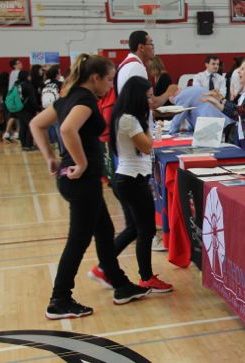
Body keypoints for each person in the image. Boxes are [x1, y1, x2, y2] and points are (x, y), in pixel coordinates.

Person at [29, 54, 150, 320]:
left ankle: (120, 285)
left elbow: (36, 124)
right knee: (79, 240)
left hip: (78, 179)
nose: (110, 86)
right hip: (80, 180)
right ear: (95, 78)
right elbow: (68, 129)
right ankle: (59, 299)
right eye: (108, 80)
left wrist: (50, 158)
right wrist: (81, 163)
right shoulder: (83, 99)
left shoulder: (67, 98)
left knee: (105, 232)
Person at [89, 76, 173, 293]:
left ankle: (102, 267)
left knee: (135, 229)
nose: (150, 100)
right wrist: (153, 127)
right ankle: (146, 277)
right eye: (147, 96)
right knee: (145, 231)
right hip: (132, 180)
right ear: (137, 97)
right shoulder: (129, 119)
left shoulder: (127, 117)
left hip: (127, 179)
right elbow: (147, 147)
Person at [14, 70, 40, 150]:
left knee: (22, 126)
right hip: (27, 109)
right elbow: (33, 99)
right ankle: (29, 145)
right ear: (27, 76)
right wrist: (38, 108)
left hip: (18, 108)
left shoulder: (16, 84)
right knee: (30, 126)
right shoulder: (28, 85)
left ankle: (24, 145)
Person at [3, 58, 23, 142]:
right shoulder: (17, 73)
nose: (21, 64)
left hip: (11, 97)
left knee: (14, 116)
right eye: (18, 63)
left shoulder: (12, 73)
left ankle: (10, 134)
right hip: (16, 98)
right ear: (14, 65)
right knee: (17, 115)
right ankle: (15, 134)